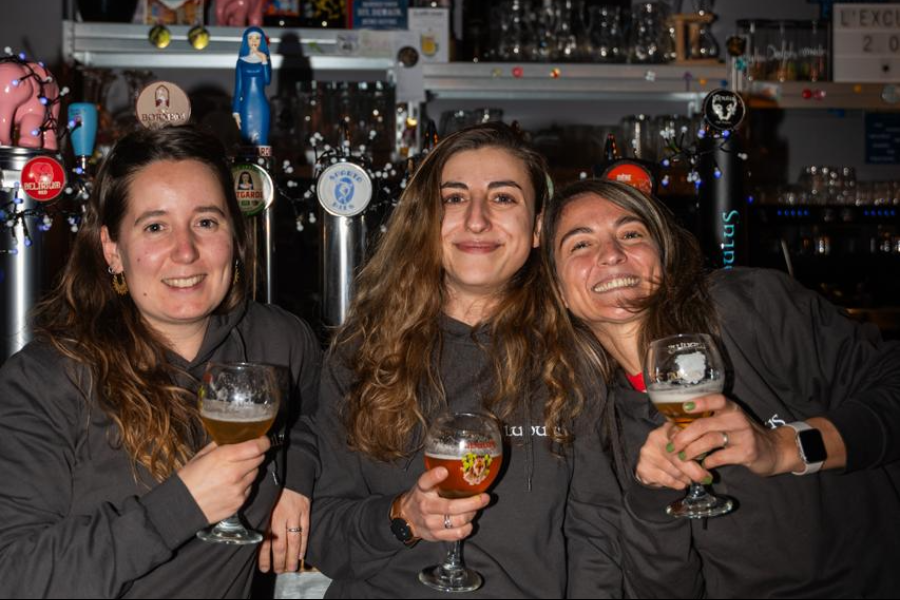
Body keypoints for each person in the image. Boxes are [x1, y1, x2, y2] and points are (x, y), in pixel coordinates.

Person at [0, 125, 321, 598]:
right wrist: (182, 504)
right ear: (112, 250)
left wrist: (298, 474)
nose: (186, 251)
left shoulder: (279, 342)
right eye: (155, 226)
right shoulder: (44, 379)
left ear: (234, 235)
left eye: (206, 222)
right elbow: (15, 575)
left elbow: (319, 417)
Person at [305, 123, 622, 598]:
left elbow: (598, 540)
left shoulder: (573, 359)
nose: (476, 220)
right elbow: (324, 535)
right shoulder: (362, 353)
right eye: (454, 198)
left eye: (503, 198)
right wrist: (401, 517)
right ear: (426, 221)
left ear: (537, 228)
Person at [542, 178, 900, 598]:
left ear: (665, 257)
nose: (612, 254)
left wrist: (785, 448)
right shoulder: (590, 417)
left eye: (631, 233)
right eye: (580, 245)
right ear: (558, 290)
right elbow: (665, 590)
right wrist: (651, 499)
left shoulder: (748, 307)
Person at [232, 26, 271, 146]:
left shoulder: (265, 60)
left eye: (257, 38)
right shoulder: (241, 62)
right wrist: (236, 111)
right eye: (250, 38)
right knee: (247, 140)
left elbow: (267, 80)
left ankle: (263, 162)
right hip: (246, 105)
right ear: (246, 40)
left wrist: (263, 59)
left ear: (261, 41)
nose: (254, 41)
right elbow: (238, 87)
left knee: (262, 139)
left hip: (260, 105)